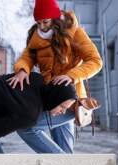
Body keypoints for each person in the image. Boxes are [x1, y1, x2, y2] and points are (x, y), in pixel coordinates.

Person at [7, 0, 103, 154]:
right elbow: (27, 57)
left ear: (55, 18)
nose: (42, 26)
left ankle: (61, 164)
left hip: (70, 101)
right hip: (51, 100)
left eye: (45, 21)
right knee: (65, 151)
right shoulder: (36, 37)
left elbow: (96, 61)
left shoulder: (74, 33)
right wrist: (22, 70)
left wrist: (72, 76)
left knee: (27, 128)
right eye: (38, 23)